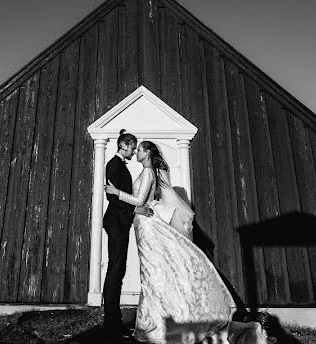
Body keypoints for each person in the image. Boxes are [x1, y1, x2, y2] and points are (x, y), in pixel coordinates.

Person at [105, 140, 266, 344]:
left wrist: (116, 192)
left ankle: (155, 324)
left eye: (139, 149)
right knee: (153, 274)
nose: (136, 152)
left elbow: (139, 201)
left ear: (147, 153)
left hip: (146, 226)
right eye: (134, 149)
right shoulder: (151, 171)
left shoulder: (147, 172)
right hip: (142, 224)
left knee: (151, 274)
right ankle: (158, 319)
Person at [102, 129, 153, 339]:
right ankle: (111, 323)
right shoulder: (113, 165)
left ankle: (114, 321)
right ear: (124, 145)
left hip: (120, 223)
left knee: (119, 268)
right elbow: (113, 199)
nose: (133, 152)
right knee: (115, 269)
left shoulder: (120, 166)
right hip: (115, 222)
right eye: (132, 147)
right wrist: (135, 210)